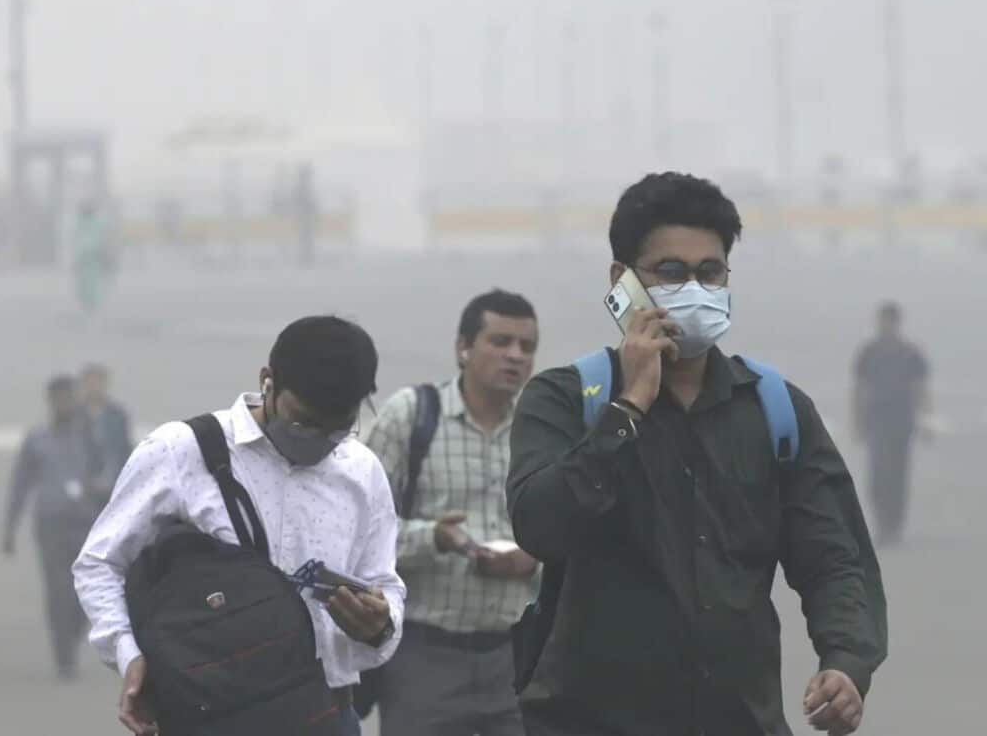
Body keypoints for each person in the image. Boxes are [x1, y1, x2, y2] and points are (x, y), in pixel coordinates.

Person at [509, 172, 887, 736]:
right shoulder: (565, 399)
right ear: (622, 282)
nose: (694, 288)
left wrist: (846, 663)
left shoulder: (775, 411)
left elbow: (835, 557)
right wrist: (629, 407)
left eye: (709, 272)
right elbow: (539, 526)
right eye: (671, 272)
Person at [73, 316, 406, 735]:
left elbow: (385, 583)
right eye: (303, 422)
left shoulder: (361, 472)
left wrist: (380, 626)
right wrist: (127, 652)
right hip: (212, 715)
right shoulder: (181, 451)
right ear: (268, 380)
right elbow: (99, 563)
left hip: (327, 713)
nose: (318, 440)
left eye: (338, 428)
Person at [363, 289, 540, 736]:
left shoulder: (539, 428)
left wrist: (535, 558)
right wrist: (435, 538)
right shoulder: (412, 416)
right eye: (500, 342)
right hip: (424, 657)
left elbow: (570, 531)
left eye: (526, 346)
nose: (515, 356)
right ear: (463, 348)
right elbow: (359, 532)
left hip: (516, 657)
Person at [3, 375, 105, 681]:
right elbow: (20, 485)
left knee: (84, 591)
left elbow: (112, 475)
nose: (64, 403)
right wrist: (9, 528)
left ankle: (73, 636)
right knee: (57, 591)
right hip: (50, 523)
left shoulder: (90, 437)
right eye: (58, 398)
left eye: (68, 397)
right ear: (51, 401)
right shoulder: (37, 439)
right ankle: (64, 657)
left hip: (86, 521)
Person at [852, 301, 930, 547]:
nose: (886, 325)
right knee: (877, 474)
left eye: (890, 321)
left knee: (898, 474)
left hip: (903, 420)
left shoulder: (911, 352)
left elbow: (919, 388)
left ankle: (894, 526)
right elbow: (860, 388)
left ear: (897, 323)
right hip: (878, 420)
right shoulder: (869, 351)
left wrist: (925, 419)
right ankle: (883, 524)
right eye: (883, 320)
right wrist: (858, 421)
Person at [79, 363, 134, 497]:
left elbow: (123, 448)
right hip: (83, 484)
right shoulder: (75, 415)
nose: (94, 387)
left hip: (112, 482)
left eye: (98, 382)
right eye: (90, 383)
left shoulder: (117, 415)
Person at [72, 199, 117, 316]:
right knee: (86, 283)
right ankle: (89, 304)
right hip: (87, 258)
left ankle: (91, 305)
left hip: (92, 258)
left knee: (90, 282)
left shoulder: (94, 224)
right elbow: (78, 241)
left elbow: (100, 240)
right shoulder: (82, 224)